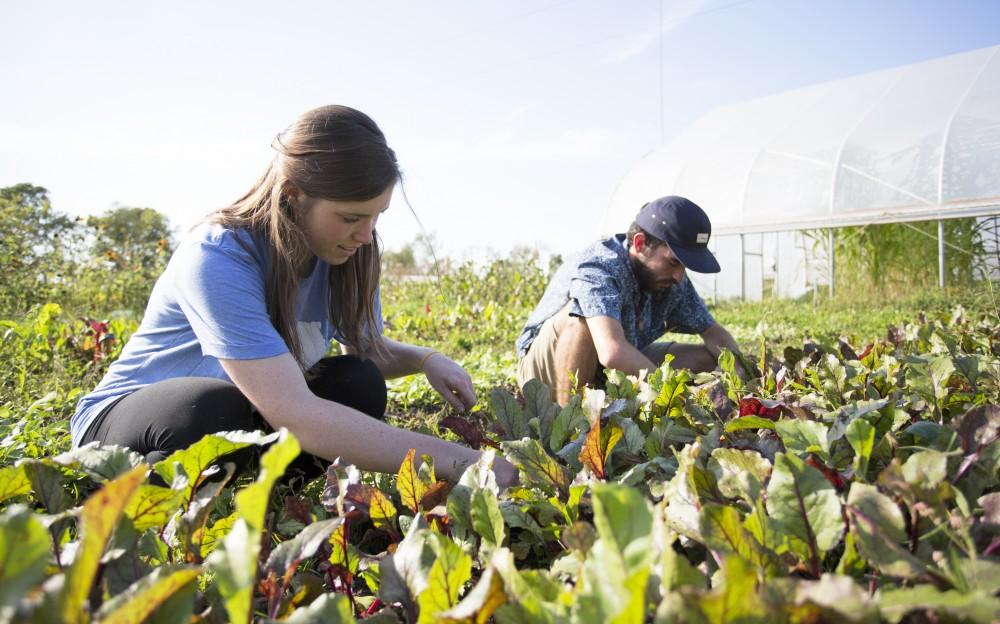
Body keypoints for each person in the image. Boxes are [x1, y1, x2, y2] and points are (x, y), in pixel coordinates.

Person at [71, 104, 517, 487]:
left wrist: (424, 359)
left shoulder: (346, 252)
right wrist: (465, 463)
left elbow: (368, 352)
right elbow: (295, 413)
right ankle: (133, 490)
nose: (366, 234)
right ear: (292, 196)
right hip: (136, 421)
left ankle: (252, 482)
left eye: (376, 216)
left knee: (357, 379)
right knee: (209, 409)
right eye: (350, 217)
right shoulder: (219, 257)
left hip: (249, 413)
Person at [516, 195, 742, 405]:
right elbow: (612, 352)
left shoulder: (671, 279)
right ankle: (569, 425)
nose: (679, 276)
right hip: (544, 372)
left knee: (708, 358)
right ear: (640, 243)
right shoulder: (600, 266)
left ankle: (605, 406)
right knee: (582, 316)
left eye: (684, 265)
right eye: (674, 262)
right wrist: (673, 395)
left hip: (605, 369)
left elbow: (714, 332)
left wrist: (737, 371)